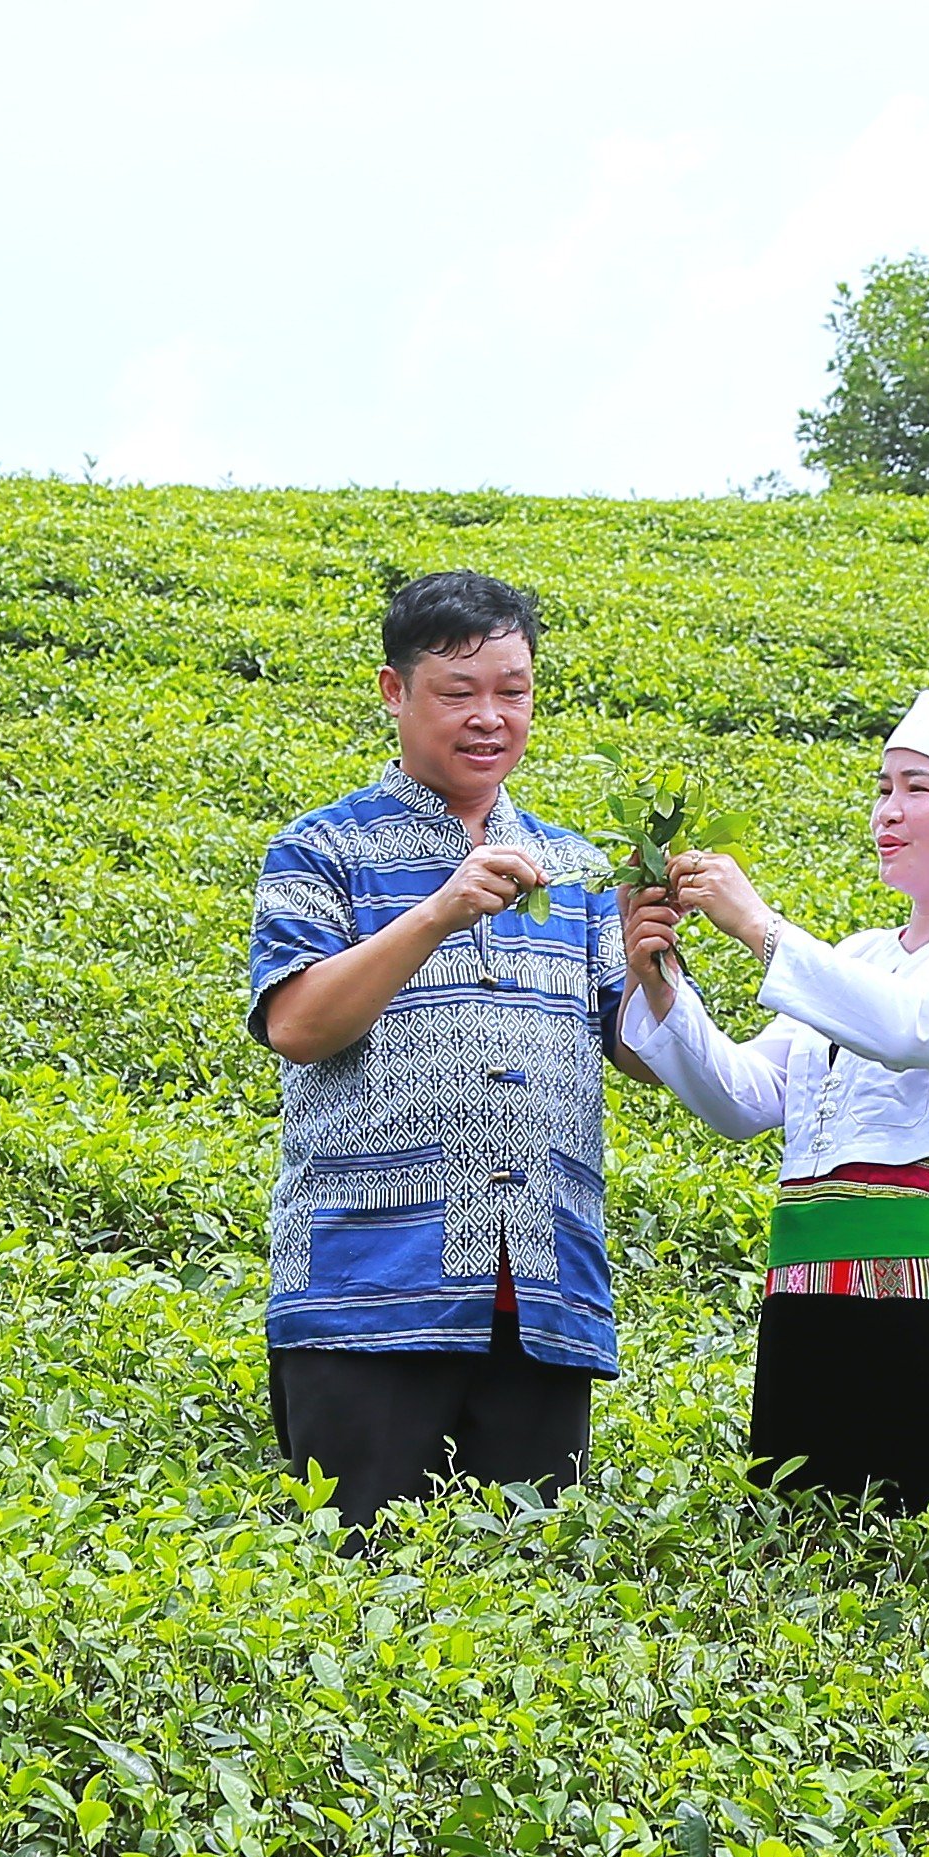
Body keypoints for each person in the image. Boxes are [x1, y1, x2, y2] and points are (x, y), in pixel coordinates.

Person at [618, 695, 929, 1517]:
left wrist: (758, 927)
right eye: (882, 789)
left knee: (924, 1567)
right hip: (807, 1302)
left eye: (917, 789)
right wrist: (658, 976)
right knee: (794, 1557)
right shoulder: (859, 958)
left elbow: (921, 1031)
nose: (889, 813)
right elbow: (743, 1097)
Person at [244, 570, 633, 1531]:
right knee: (356, 1589)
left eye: (514, 690)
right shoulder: (322, 849)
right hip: (361, 1296)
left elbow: (637, 1045)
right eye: (459, 693)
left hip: (541, 1299)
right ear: (394, 692)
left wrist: (658, 953)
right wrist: (439, 910)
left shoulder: (574, 864)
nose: (490, 717)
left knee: (527, 1607)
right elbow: (298, 1024)